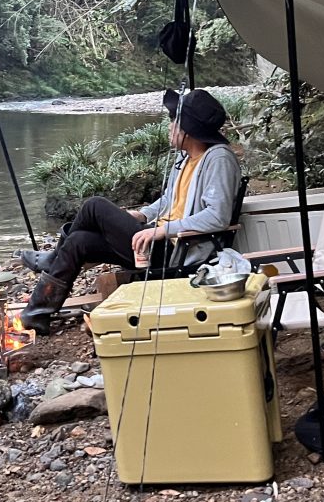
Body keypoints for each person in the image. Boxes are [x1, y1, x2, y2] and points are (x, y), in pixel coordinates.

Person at [16, 88, 241, 336]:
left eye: (173, 121)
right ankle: (37, 314)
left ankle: (51, 259)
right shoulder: (185, 158)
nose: (169, 126)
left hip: (178, 251)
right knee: (80, 241)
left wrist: (162, 230)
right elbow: (169, 200)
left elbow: (217, 216)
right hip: (157, 240)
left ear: (187, 128)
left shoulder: (218, 159)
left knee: (95, 205)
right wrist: (143, 216)